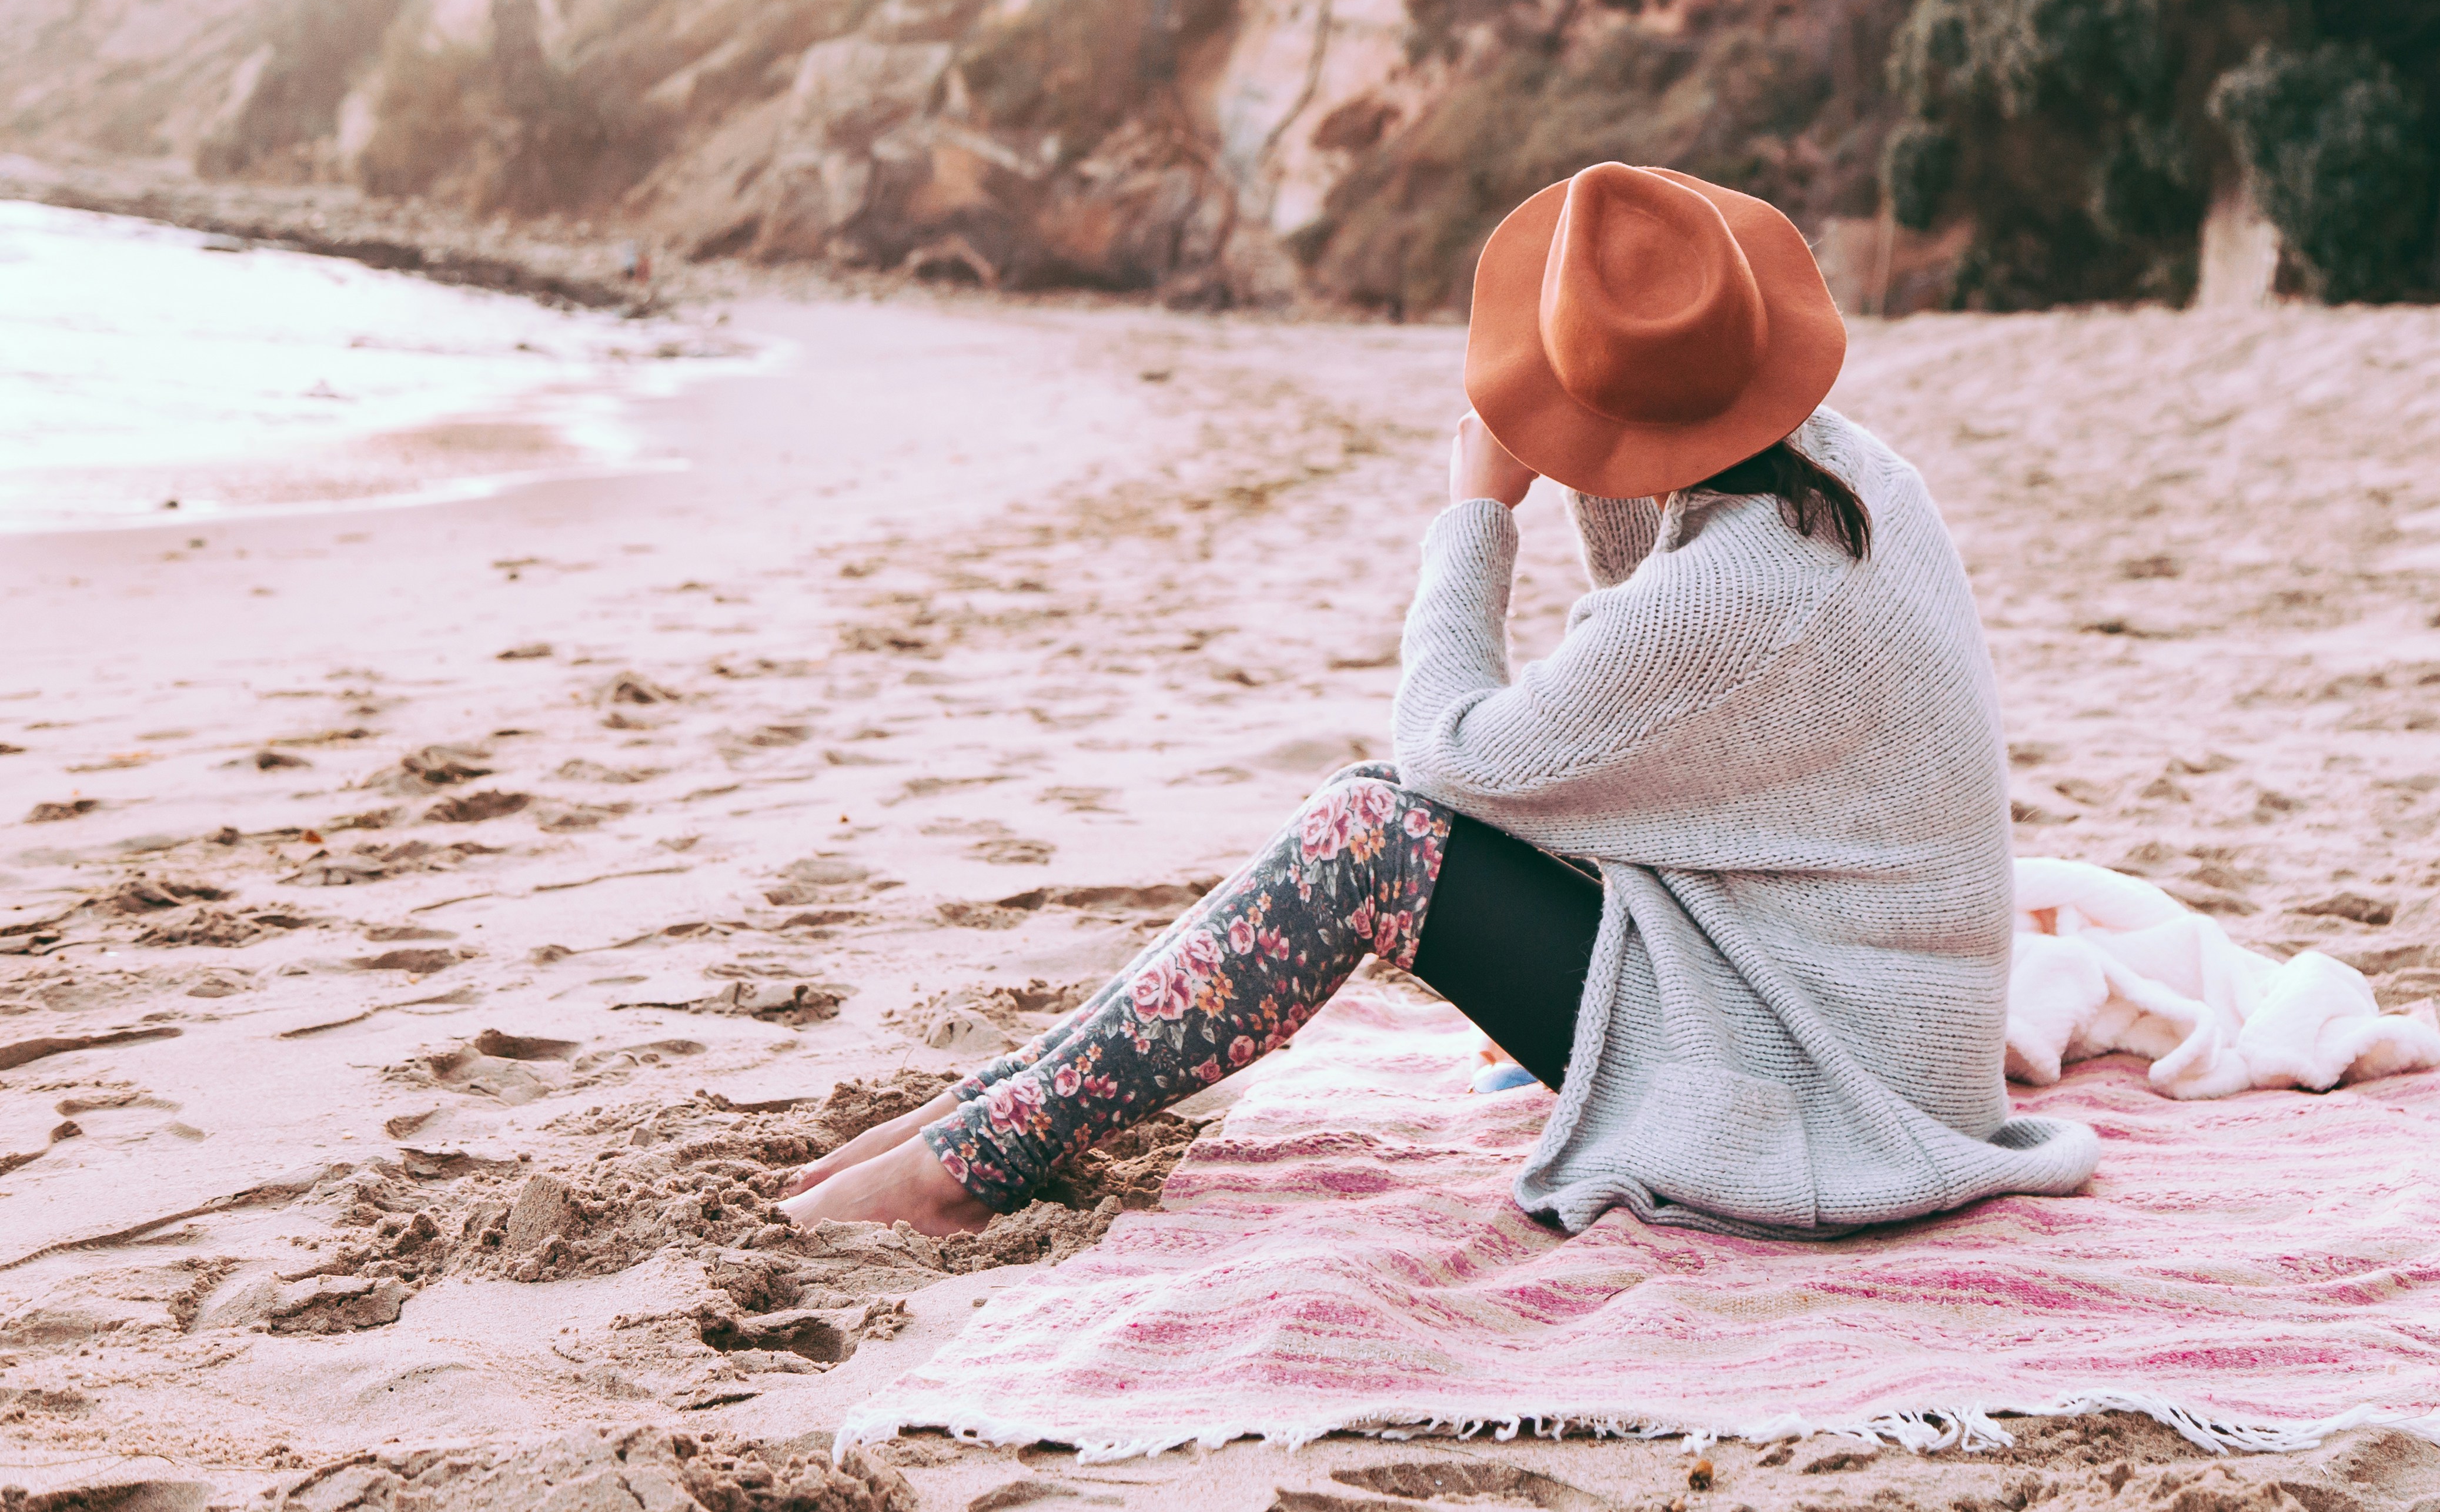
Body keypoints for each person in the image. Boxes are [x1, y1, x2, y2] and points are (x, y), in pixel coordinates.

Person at [780, 161, 2098, 1238]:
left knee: (1368, 838)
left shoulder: (1733, 594)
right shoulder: (1847, 472)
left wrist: (1477, 514)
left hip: (1819, 1076)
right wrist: (1601, 453)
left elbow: (1447, 754)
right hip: (1860, 1011)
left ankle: (976, 1160)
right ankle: (1006, 1109)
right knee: (1368, 818)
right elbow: (1635, 710)